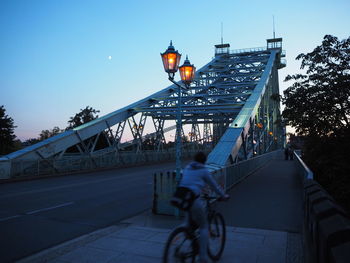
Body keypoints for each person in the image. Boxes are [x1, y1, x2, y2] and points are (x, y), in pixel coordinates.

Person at [178, 152, 229, 263]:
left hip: (183, 199)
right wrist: (223, 195)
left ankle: (181, 242)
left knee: (188, 225)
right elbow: (214, 186)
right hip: (194, 200)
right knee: (204, 226)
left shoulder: (188, 167)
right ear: (204, 161)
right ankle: (203, 257)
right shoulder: (203, 170)